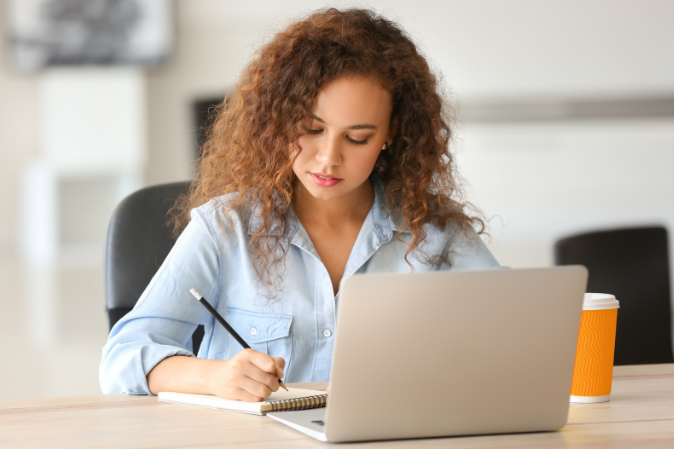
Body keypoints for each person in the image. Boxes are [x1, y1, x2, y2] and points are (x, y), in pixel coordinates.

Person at [100, 8, 501, 402]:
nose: (328, 158)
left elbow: (518, 336)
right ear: (278, 120)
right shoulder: (226, 227)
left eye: (357, 138)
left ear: (390, 134)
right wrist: (215, 377)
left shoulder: (436, 232)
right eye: (311, 130)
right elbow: (122, 358)